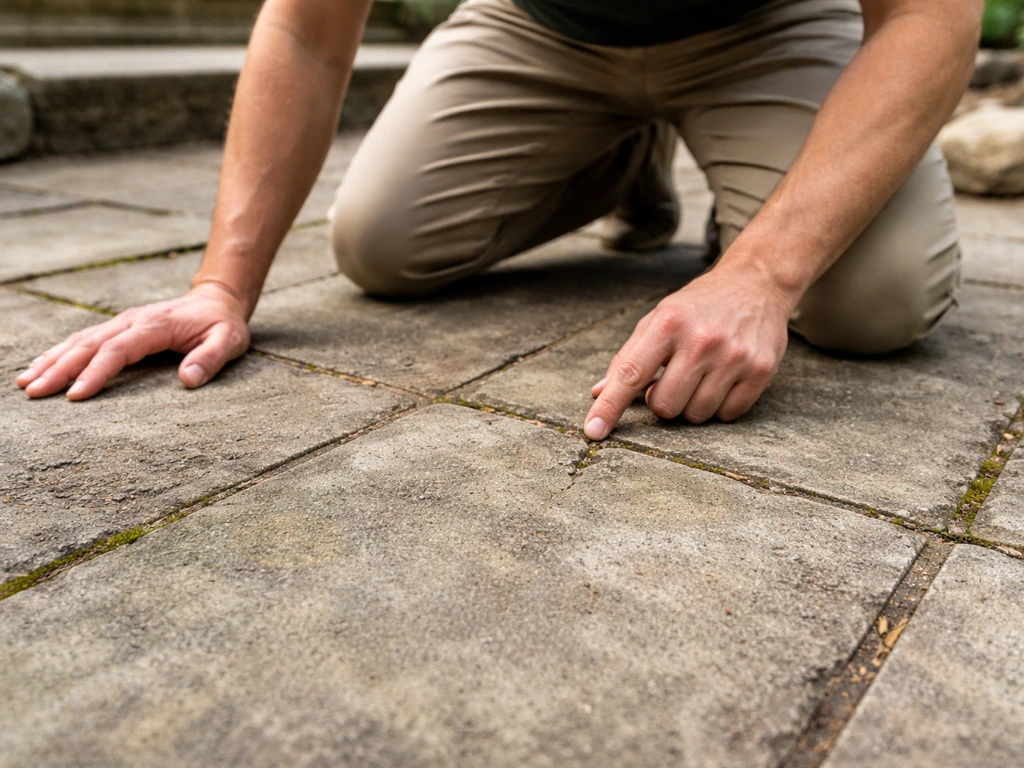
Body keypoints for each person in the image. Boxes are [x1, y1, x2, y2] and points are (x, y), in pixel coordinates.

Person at [16, 0, 980, 442]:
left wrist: (762, 274)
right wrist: (221, 283)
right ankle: (622, 158)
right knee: (380, 245)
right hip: (542, 30)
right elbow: (307, 32)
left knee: (874, 300)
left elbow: (931, 17)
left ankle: (744, 188)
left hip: (768, 23)